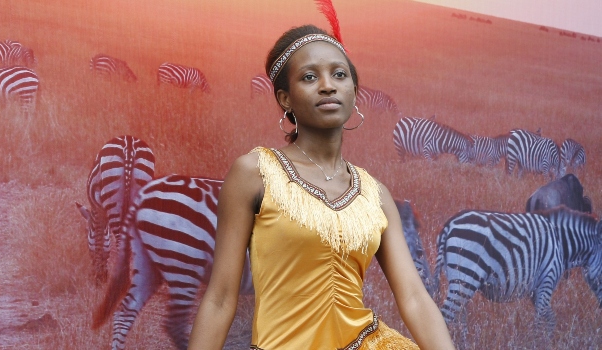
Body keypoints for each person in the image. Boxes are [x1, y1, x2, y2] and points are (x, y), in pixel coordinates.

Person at [188, 25, 455, 349]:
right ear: (285, 98)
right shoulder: (255, 173)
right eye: (309, 77)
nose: (328, 86)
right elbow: (219, 299)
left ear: (354, 92)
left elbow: (413, 297)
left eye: (339, 75)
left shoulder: (376, 195)